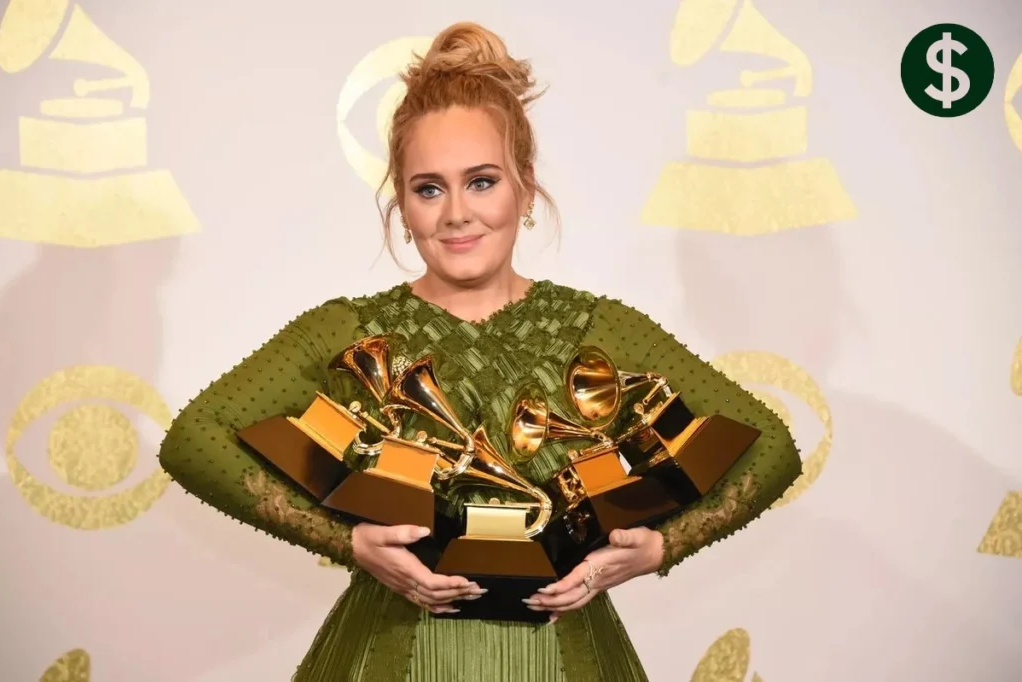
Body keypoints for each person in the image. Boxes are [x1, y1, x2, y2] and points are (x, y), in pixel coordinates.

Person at [157, 21, 802, 682]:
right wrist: (349, 543)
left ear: (524, 185)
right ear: (402, 207)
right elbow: (191, 439)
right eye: (428, 188)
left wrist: (659, 547)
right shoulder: (344, 332)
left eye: (482, 181)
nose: (456, 213)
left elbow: (771, 444)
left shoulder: (599, 329)